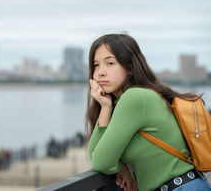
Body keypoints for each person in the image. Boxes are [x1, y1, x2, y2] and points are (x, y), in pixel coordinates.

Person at [86, 33, 211, 191]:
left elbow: (101, 162)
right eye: (96, 65)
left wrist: (118, 166)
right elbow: (95, 156)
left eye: (110, 63)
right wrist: (105, 108)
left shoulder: (135, 97)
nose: (100, 72)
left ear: (130, 67)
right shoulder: (127, 100)